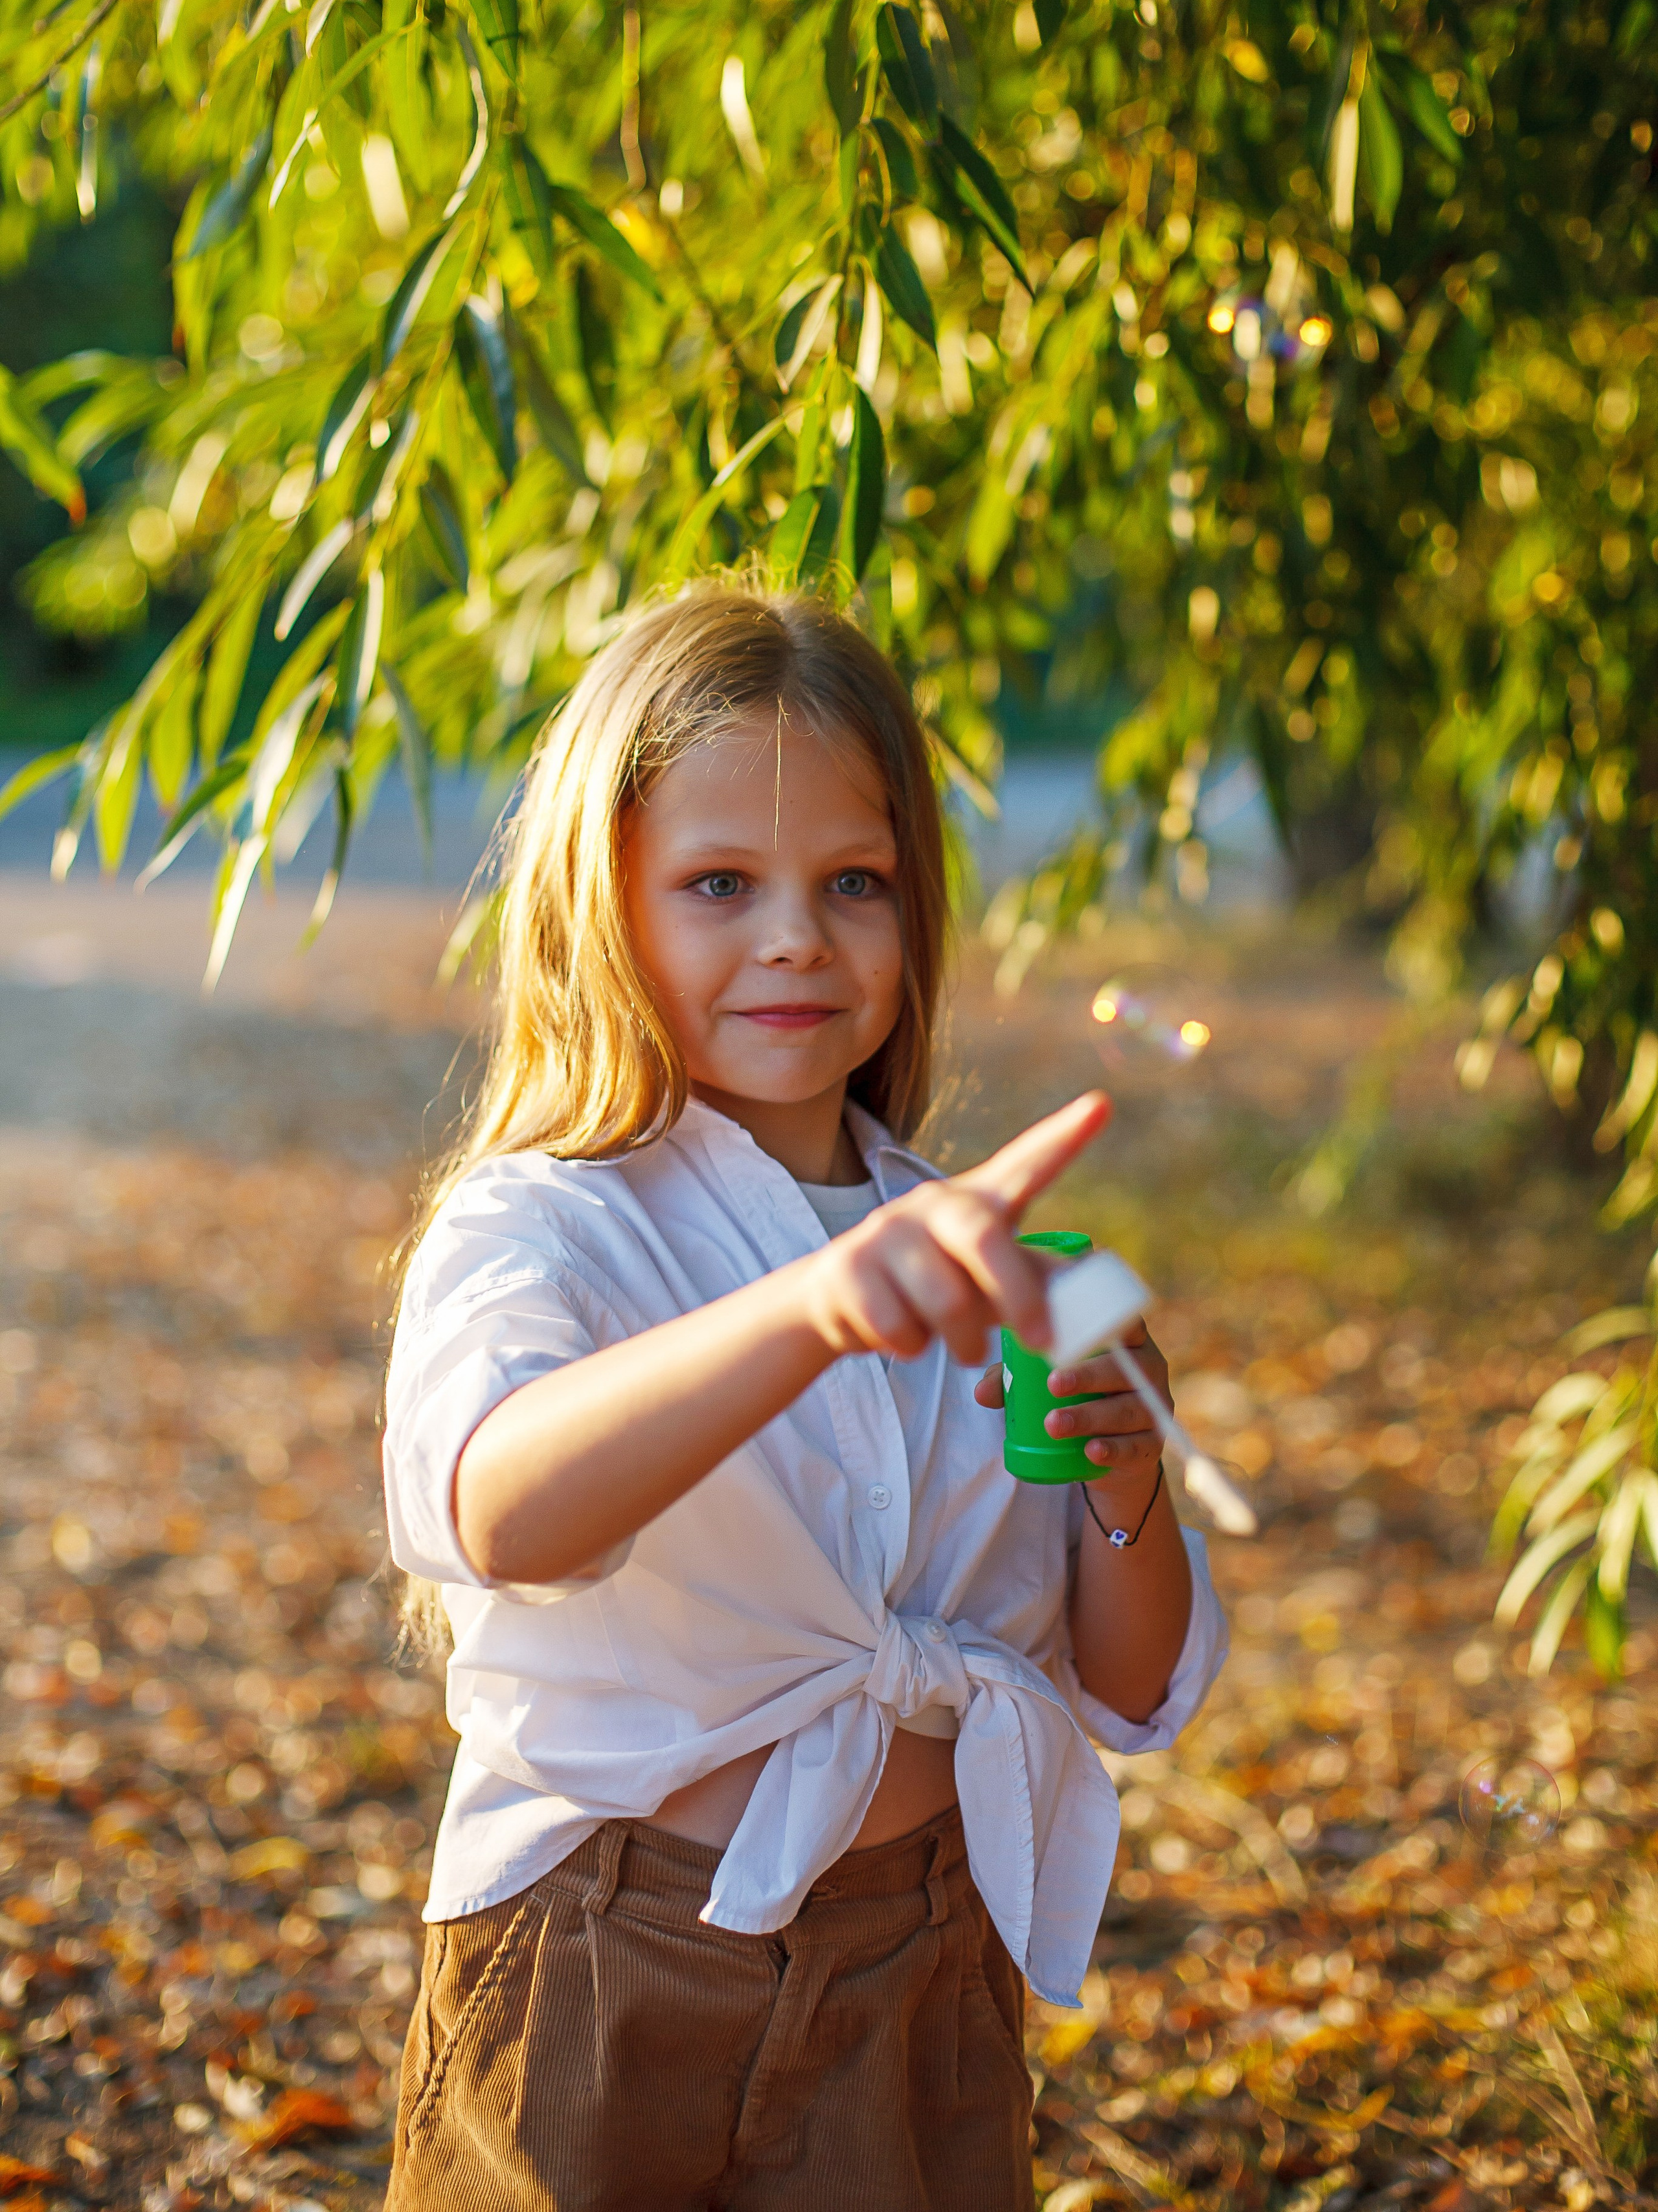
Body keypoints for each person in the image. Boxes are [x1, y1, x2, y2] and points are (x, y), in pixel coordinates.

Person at [380, 582, 1227, 2211]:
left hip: (916, 1961)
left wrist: (1128, 1487)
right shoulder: (546, 1222)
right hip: (605, 1956)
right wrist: (814, 1310)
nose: (795, 936)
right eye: (718, 884)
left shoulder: (999, 1256)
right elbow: (500, 1509)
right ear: (599, 907)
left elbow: (1127, 1688)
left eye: (853, 882)